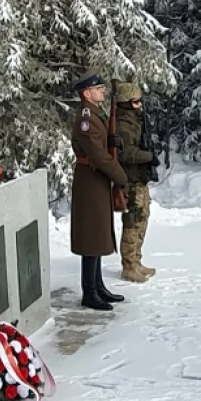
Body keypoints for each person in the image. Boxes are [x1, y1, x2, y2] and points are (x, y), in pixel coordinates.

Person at [70, 70, 129, 310]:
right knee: (91, 237)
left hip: (97, 179)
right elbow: (97, 155)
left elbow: (103, 146)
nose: (102, 91)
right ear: (86, 93)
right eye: (97, 88)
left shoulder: (96, 114)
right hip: (90, 179)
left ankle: (98, 285)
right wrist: (120, 175)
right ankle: (89, 291)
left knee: (98, 233)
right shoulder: (86, 118)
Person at [114, 82, 159, 283]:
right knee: (132, 222)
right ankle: (129, 265)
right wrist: (148, 156)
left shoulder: (135, 121)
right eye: (134, 102)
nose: (139, 105)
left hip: (139, 177)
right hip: (130, 179)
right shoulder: (124, 124)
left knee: (141, 219)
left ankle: (136, 260)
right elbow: (126, 153)